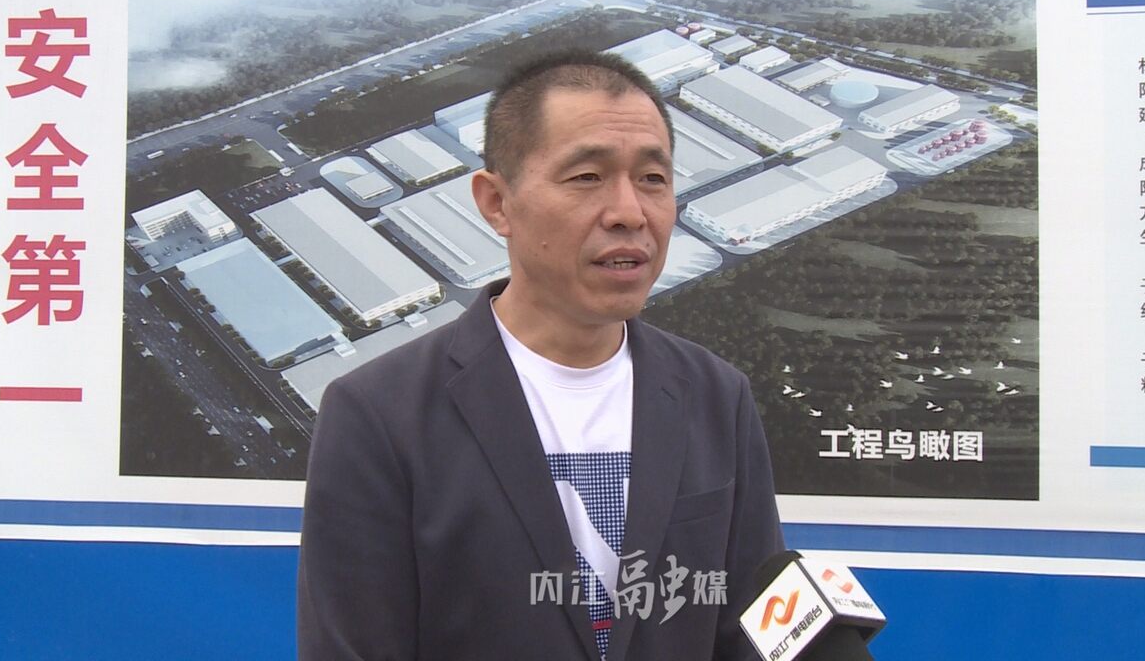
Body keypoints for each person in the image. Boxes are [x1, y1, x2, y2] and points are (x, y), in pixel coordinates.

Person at [298, 49, 783, 661]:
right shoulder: (378, 413)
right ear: (496, 203)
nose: (629, 213)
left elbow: (752, 632)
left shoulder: (716, 396)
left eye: (653, 179)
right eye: (587, 177)